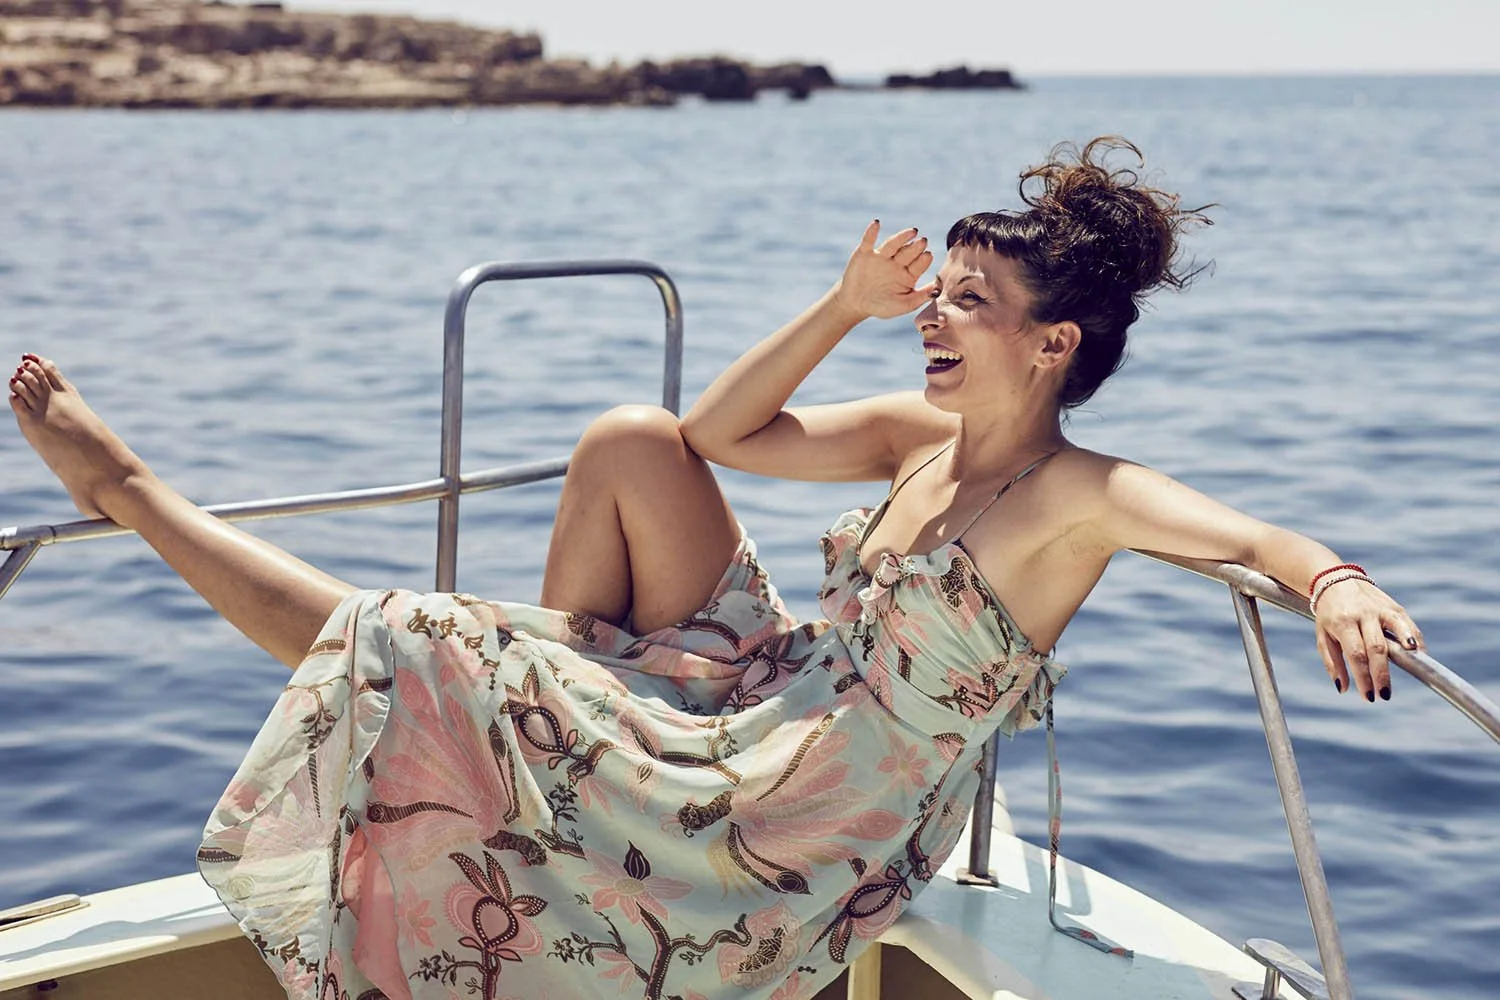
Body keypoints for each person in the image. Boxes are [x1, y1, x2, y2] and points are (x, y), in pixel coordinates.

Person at [8, 137, 1422, 1000]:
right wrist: (842, 302)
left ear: (1055, 345)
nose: (936, 323)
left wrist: (1338, 582)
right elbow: (714, 433)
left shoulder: (1078, 496)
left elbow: (1257, 540)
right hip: (773, 692)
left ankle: (135, 496)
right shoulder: (912, 438)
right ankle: (543, 742)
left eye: (967, 308)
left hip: (797, 818)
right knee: (628, 440)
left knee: (406, 640)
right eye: (934, 300)